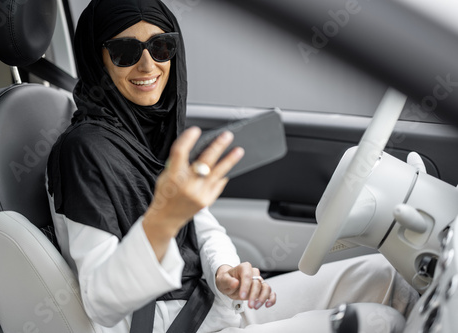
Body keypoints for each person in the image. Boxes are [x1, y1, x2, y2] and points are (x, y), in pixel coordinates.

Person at [46, 0, 419, 332]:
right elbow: (100, 300)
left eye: (162, 47)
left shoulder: (155, 130)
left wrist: (225, 271)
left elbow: (203, 227)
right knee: (378, 324)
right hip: (167, 322)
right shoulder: (84, 151)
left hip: (213, 302)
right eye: (125, 51)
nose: (149, 64)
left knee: (389, 276)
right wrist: (164, 218)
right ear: (98, 60)